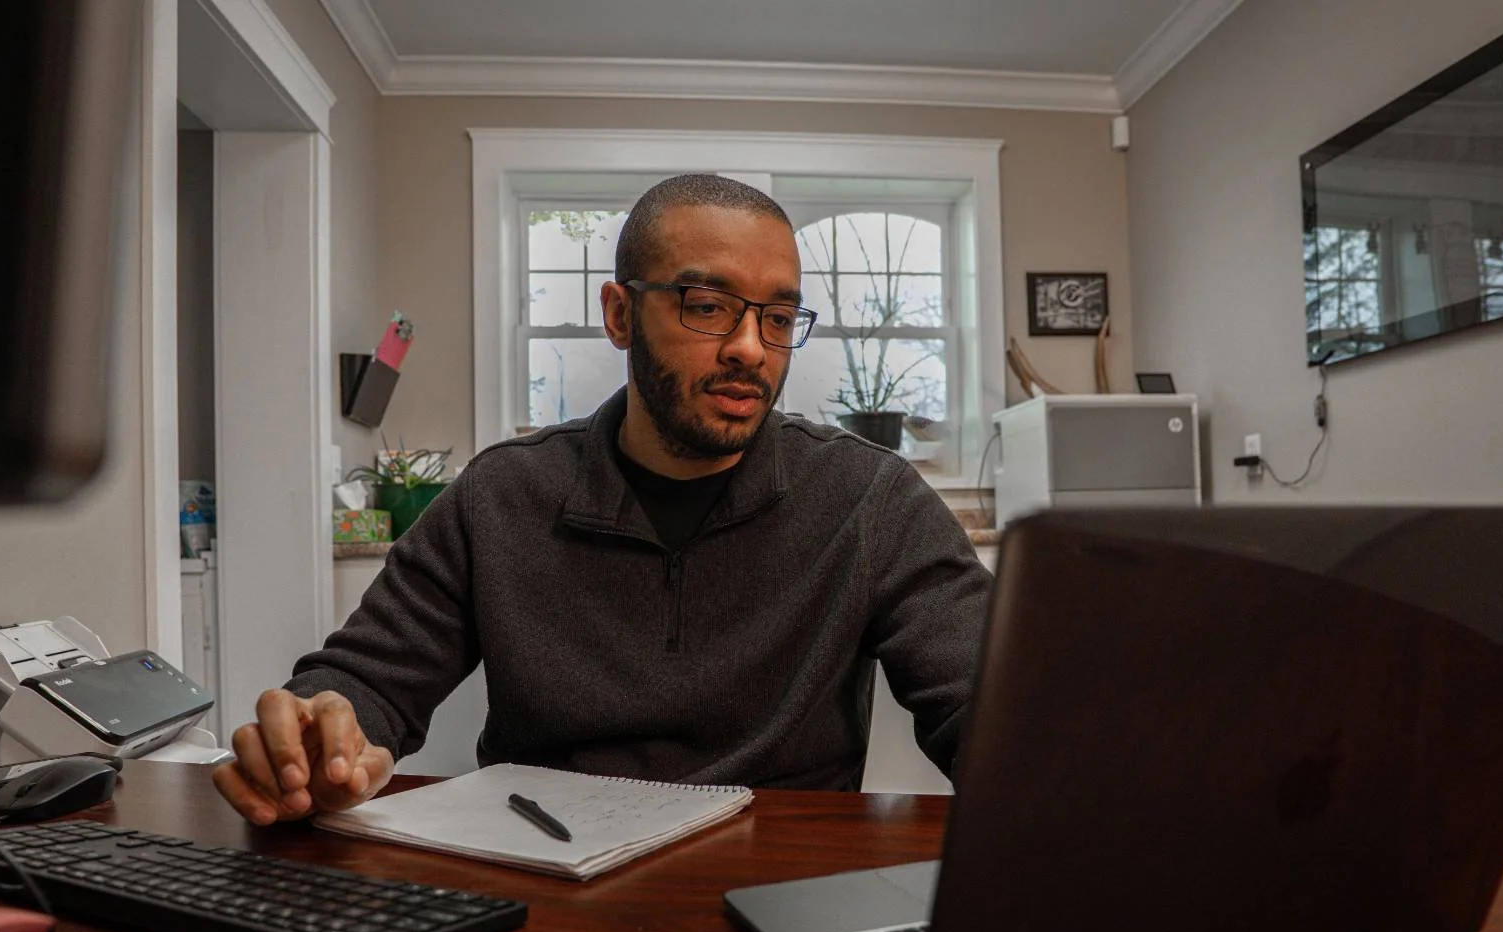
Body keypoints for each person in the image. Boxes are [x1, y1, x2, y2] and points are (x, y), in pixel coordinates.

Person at [212, 174, 992, 826]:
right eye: (707, 305)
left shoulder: (871, 498)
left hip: (777, 881)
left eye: (779, 318)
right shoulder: (502, 495)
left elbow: (990, 706)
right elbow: (369, 681)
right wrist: (320, 736)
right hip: (545, 882)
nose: (751, 347)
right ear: (620, 314)